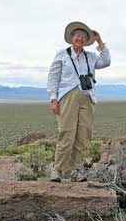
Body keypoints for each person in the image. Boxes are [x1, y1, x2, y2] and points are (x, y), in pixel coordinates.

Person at [47, 21, 111, 182]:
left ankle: (76, 169)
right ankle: (59, 169)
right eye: (77, 36)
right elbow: (53, 77)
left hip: (87, 97)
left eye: (83, 37)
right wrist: (53, 98)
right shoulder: (62, 54)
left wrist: (100, 42)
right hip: (67, 96)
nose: (80, 39)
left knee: (83, 134)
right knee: (66, 132)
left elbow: (107, 61)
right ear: (71, 38)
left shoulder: (91, 56)